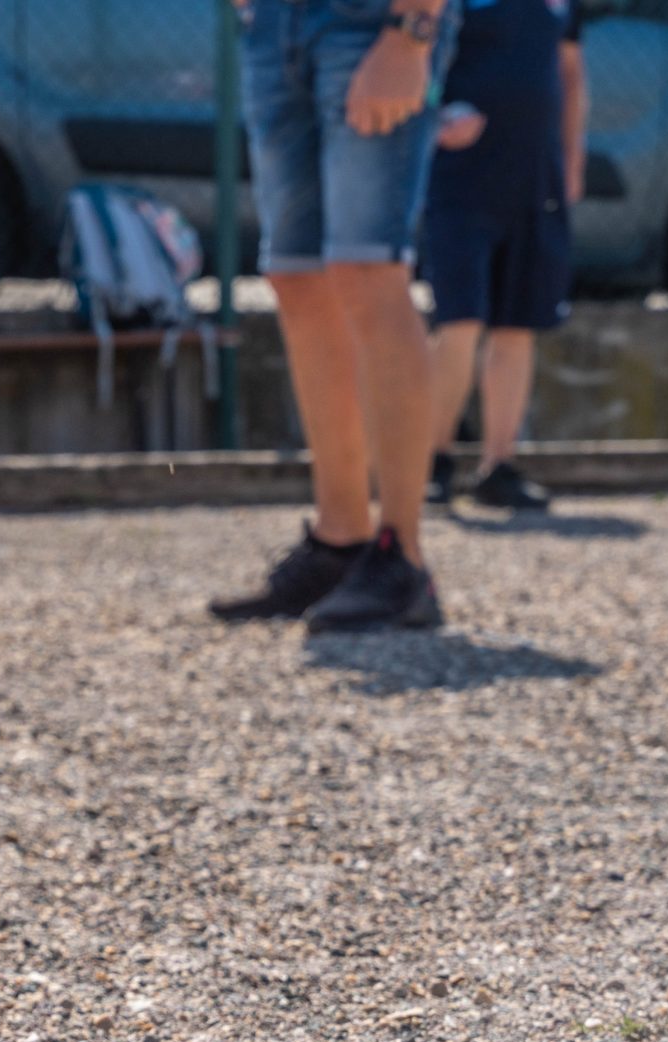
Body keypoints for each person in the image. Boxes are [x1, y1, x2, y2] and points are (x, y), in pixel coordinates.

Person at [210, 0, 456, 633]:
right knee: (297, 278)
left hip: (373, 19)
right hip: (274, 23)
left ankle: (402, 558)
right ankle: (340, 541)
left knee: (369, 268)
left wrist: (413, 29)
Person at [423, 0, 585, 512]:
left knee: (517, 325)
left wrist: (572, 161)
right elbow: (411, 54)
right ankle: (432, 461)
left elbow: (570, 73)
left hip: (534, 180)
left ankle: (498, 466)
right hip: (458, 179)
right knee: (460, 321)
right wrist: (434, 117)